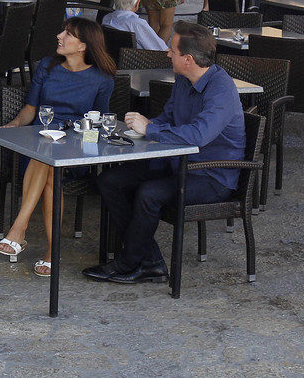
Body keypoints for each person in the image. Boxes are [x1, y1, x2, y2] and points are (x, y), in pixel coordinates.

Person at [83, 21, 245, 284]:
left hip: (211, 175)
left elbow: (199, 135)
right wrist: (143, 128)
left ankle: (128, 263)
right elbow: (168, 118)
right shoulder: (183, 80)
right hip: (177, 163)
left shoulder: (221, 90)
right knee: (110, 181)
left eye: (172, 50)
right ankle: (150, 262)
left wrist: (151, 129)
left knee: (149, 193)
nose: (168, 53)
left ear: (188, 59)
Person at [0, 18, 115, 277]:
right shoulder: (47, 67)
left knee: (50, 164)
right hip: (40, 145)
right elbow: (30, 110)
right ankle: (51, 253)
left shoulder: (102, 79)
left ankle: (19, 228)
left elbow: (99, 122)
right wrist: (14, 124)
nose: (59, 36)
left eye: (68, 34)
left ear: (83, 46)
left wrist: (78, 135)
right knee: (48, 166)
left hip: (76, 149)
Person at [100, 0, 168, 51]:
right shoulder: (137, 24)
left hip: (113, 59)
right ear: (137, 3)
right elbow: (162, 50)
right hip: (138, 61)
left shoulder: (106, 18)